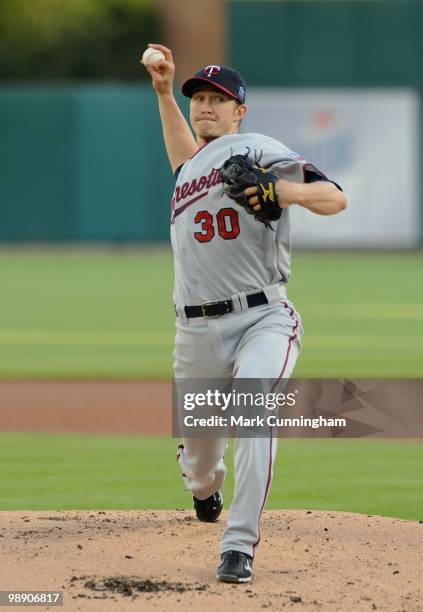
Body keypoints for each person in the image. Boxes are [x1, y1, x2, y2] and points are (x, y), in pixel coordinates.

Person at [142, 43, 347, 584]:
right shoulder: (190, 170)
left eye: (219, 99)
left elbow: (334, 198)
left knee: (254, 414)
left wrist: (279, 189)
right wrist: (165, 92)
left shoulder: (256, 147)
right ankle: (204, 488)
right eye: (199, 98)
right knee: (201, 468)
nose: (206, 106)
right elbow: (185, 159)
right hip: (194, 332)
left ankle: (238, 547)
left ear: (240, 112)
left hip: (263, 318)